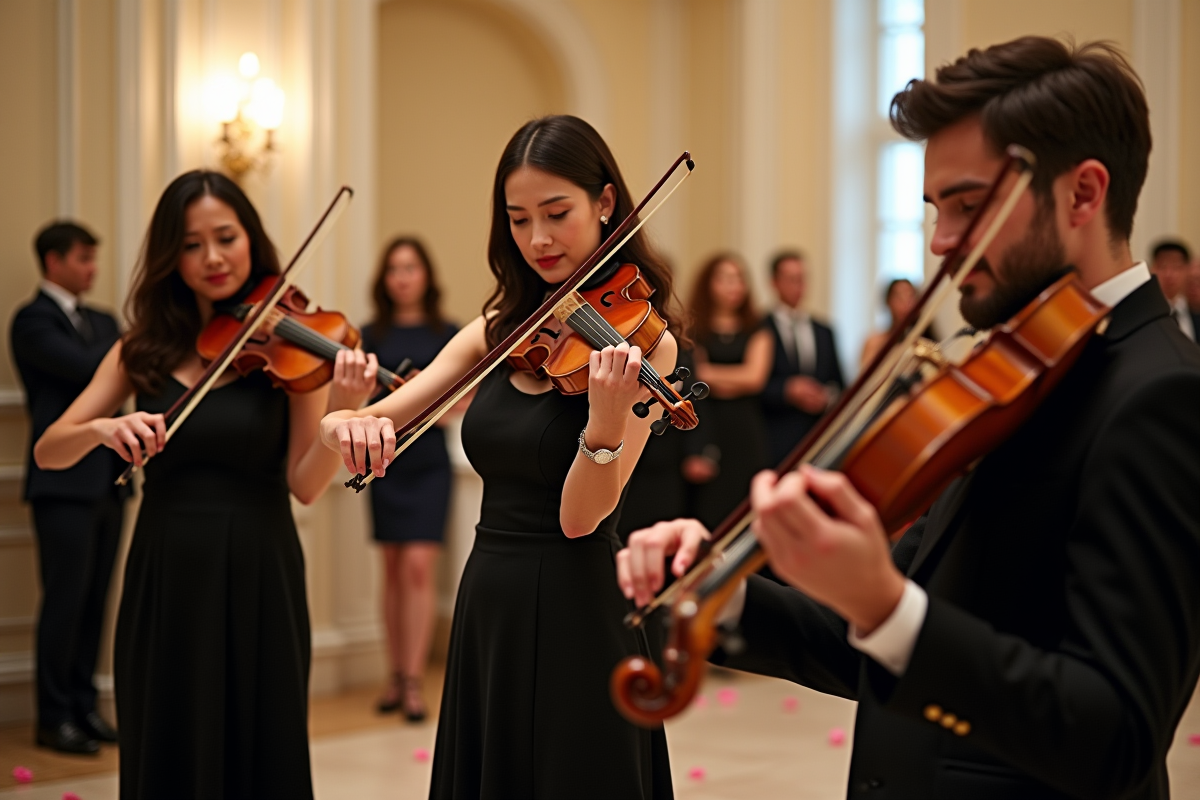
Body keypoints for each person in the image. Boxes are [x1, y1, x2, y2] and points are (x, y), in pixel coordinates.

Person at [617, 37, 1200, 799]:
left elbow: (1118, 737)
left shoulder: (1160, 394)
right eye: (935, 209)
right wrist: (718, 589)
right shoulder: (1016, 373)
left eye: (969, 206)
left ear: (1083, 194)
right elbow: (885, 633)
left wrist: (886, 608)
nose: (941, 244)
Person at [320, 115, 676, 799]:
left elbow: (581, 519)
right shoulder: (497, 330)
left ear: (605, 204)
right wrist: (344, 424)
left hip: (580, 603)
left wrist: (603, 421)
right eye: (518, 219)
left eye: (556, 213)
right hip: (491, 596)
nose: (537, 239)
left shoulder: (649, 346)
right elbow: (380, 412)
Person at [33, 170, 378, 799]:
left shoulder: (292, 345)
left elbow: (305, 484)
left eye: (226, 237)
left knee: (261, 744)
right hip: (167, 570)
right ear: (170, 254)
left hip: (260, 564)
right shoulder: (141, 347)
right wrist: (103, 428)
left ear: (251, 239)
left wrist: (347, 410)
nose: (213, 257)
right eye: (192, 244)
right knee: (167, 740)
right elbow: (49, 450)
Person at [10, 221, 126, 755]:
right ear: (52, 262)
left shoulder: (104, 320)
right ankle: (53, 716)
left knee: (96, 600)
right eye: (82, 258)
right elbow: (90, 371)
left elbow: (117, 375)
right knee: (64, 600)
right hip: (62, 483)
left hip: (110, 480)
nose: (92, 268)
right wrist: (124, 356)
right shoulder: (32, 320)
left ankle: (84, 704)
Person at [360, 236, 458, 722]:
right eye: (394, 268)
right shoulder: (369, 334)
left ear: (426, 275)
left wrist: (434, 402)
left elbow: (467, 400)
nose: (402, 276)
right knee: (393, 570)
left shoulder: (449, 331)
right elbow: (357, 404)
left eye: (410, 267)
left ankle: (415, 679)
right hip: (385, 462)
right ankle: (394, 674)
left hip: (430, 464)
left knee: (418, 568)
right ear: (385, 279)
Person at [685, 253, 772, 530]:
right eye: (725, 279)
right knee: (709, 511)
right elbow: (695, 378)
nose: (734, 286)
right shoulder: (694, 328)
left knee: (746, 509)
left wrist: (712, 376)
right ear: (709, 284)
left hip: (746, 428)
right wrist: (735, 378)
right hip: (707, 424)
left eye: (738, 279)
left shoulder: (758, 326)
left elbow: (755, 378)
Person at [761, 251, 844, 465]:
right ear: (774, 283)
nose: (799, 286)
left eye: (802, 279)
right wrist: (787, 390)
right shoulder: (760, 327)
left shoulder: (824, 330)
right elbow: (754, 386)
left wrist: (826, 397)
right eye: (791, 279)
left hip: (818, 438)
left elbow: (840, 382)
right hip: (774, 439)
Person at [859, 278, 919, 369]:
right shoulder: (875, 343)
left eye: (910, 297)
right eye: (899, 298)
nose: (906, 304)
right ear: (888, 301)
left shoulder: (923, 343)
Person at [1149, 239, 1198, 341]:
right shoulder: (1146, 315)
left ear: (1187, 270)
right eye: (1162, 267)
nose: (1169, 274)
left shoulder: (1195, 312)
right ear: (1151, 269)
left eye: (1176, 267)